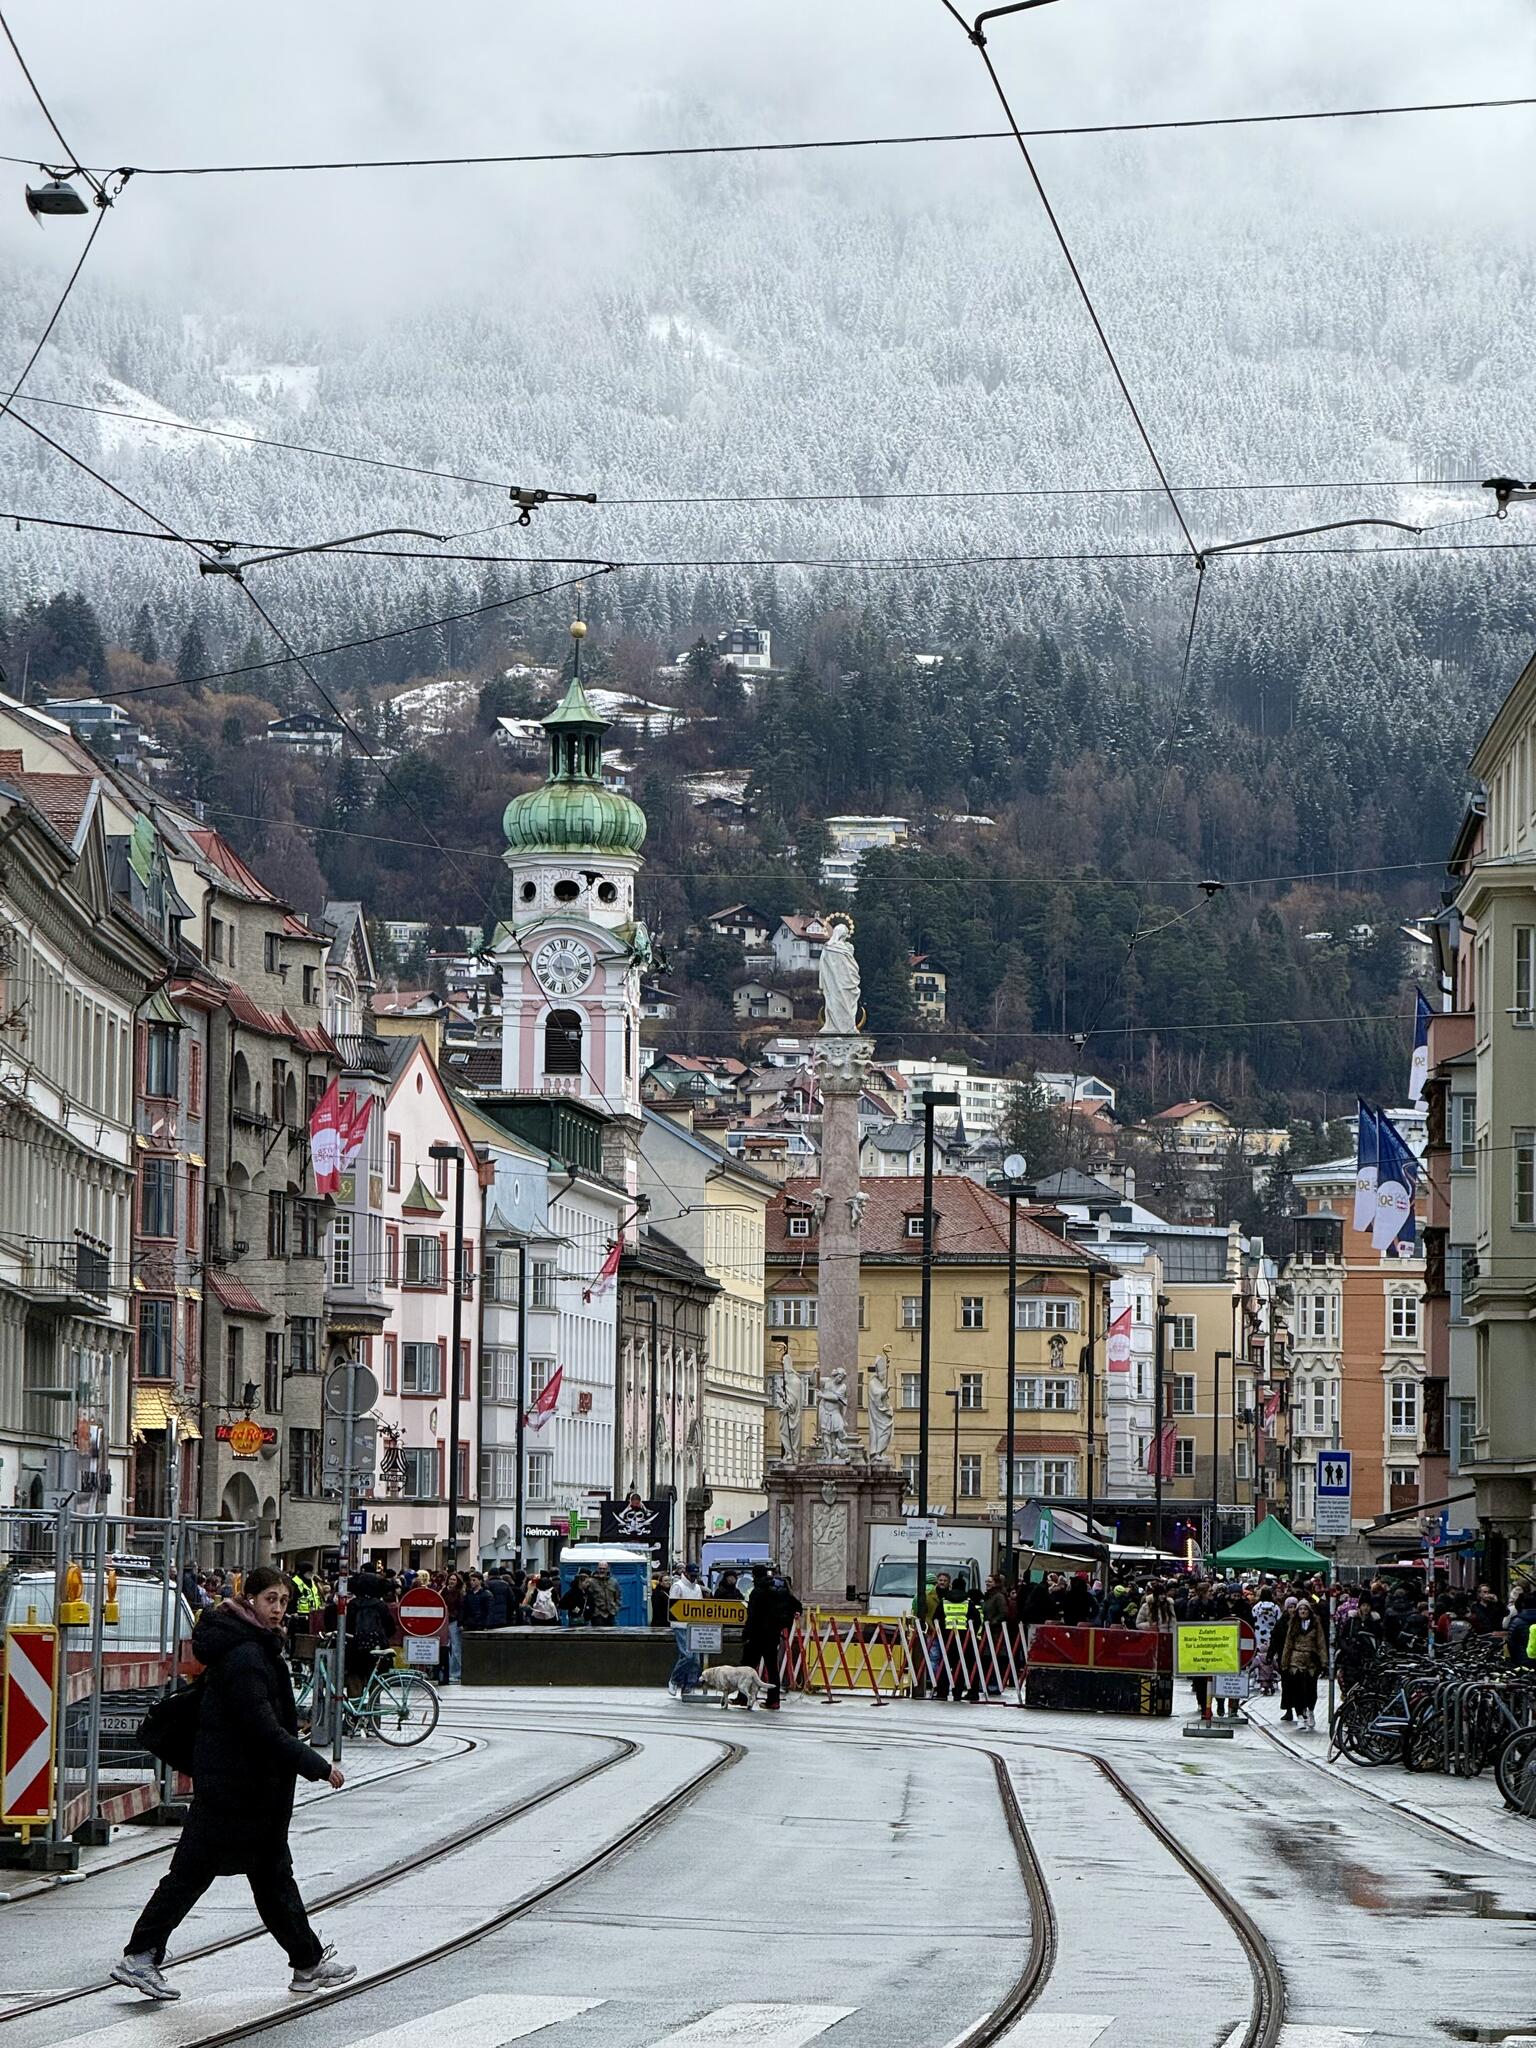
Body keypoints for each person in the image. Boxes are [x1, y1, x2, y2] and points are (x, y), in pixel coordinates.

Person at [111, 1567, 355, 2003]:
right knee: (190, 1877)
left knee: (274, 1878)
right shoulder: (245, 1655)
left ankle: (307, 1963)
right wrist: (315, 1765)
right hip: (232, 1790)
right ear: (250, 1601)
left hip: (251, 1791)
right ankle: (140, 1956)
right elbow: (260, 1727)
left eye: (283, 1601)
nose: (279, 1609)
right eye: (270, 1600)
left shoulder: (254, 1646)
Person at [1279, 1596, 1327, 1729]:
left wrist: (1324, 1661)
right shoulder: (1293, 1624)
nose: (1303, 1611)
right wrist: (1285, 1661)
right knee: (1297, 1690)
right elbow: (1288, 1644)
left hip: (1311, 1661)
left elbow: (1321, 1642)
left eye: (1305, 1609)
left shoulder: (1315, 1624)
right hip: (1296, 1660)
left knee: (1311, 1690)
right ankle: (1300, 1715)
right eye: (1300, 1609)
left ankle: (1310, 1711)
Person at [743, 1564, 784, 1707]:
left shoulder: (757, 1592)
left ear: (754, 1575)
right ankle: (774, 1700)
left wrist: (746, 1633)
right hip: (772, 1636)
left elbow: (752, 1616)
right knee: (772, 1669)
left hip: (756, 1636)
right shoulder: (776, 1590)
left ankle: (743, 1698)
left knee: (746, 1667)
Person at [667, 1561, 706, 1698]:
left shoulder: (697, 1588)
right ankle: (674, 1680)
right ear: (685, 1573)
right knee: (687, 1655)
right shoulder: (677, 1586)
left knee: (695, 1660)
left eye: (696, 1575)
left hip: (694, 1626)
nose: (694, 1578)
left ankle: (688, 1686)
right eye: (692, 1575)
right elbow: (673, 1607)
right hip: (681, 1626)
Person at [588, 1562, 622, 1627]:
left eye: (604, 1569)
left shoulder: (613, 1582)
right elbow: (588, 1598)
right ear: (597, 1569)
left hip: (611, 1614)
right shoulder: (592, 1582)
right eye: (600, 1568)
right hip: (597, 1615)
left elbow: (618, 1597)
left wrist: (616, 1609)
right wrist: (593, 1611)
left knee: (614, 1634)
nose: (602, 1570)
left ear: (607, 1569)